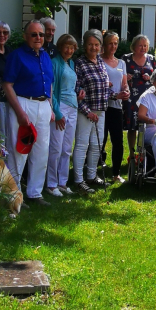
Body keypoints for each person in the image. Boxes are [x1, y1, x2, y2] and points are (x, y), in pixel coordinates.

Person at [2, 20, 54, 205]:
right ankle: (14, 194)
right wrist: (19, 111)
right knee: (19, 150)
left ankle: (35, 192)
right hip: (23, 103)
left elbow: (50, 83)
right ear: (25, 37)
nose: (38, 38)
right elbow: (7, 85)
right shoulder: (17, 56)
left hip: (43, 104)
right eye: (34, 34)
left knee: (41, 150)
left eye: (41, 34)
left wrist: (51, 107)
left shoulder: (46, 56)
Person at [74, 29, 113, 193]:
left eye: (96, 44)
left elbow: (104, 87)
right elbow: (76, 89)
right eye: (90, 44)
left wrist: (115, 94)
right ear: (85, 45)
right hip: (86, 111)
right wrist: (86, 111)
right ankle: (78, 180)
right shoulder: (80, 63)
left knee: (97, 145)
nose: (93, 47)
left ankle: (91, 176)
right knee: (82, 145)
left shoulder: (100, 62)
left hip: (101, 110)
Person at [46, 34, 80, 197]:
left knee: (67, 149)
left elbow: (69, 86)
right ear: (60, 47)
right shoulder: (54, 64)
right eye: (66, 46)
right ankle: (51, 184)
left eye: (72, 47)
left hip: (73, 107)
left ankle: (62, 183)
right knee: (56, 147)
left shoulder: (71, 64)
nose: (69, 50)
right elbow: (51, 91)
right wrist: (57, 112)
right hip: (61, 108)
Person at [101, 31, 130, 183]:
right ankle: (95, 170)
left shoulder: (121, 63)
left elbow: (124, 84)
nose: (113, 46)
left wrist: (126, 92)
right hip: (101, 106)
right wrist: (114, 94)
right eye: (110, 43)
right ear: (104, 45)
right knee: (100, 139)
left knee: (117, 140)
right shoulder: (98, 61)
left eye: (115, 43)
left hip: (116, 107)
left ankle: (116, 173)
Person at [123, 34, 156, 157]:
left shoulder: (151, 58)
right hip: (132, 96)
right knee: (132, 125)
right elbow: (120, 73)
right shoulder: (126, 58)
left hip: (147, 96)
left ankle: (142, 153)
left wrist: (150, 78)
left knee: (145, 124)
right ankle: (132, 153)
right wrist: (126, 76)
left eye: (145, 46)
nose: (143, 48)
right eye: (140, 46)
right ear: (134, 47)